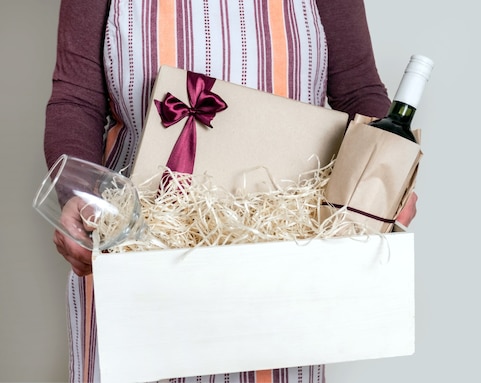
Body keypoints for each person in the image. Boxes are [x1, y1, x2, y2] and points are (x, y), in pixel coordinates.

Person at [45, 0, 417, 381]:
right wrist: (78, 193)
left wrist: (384, 182)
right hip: (135, 247)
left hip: (284, 250)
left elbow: (358, 90)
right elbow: (77, 100)